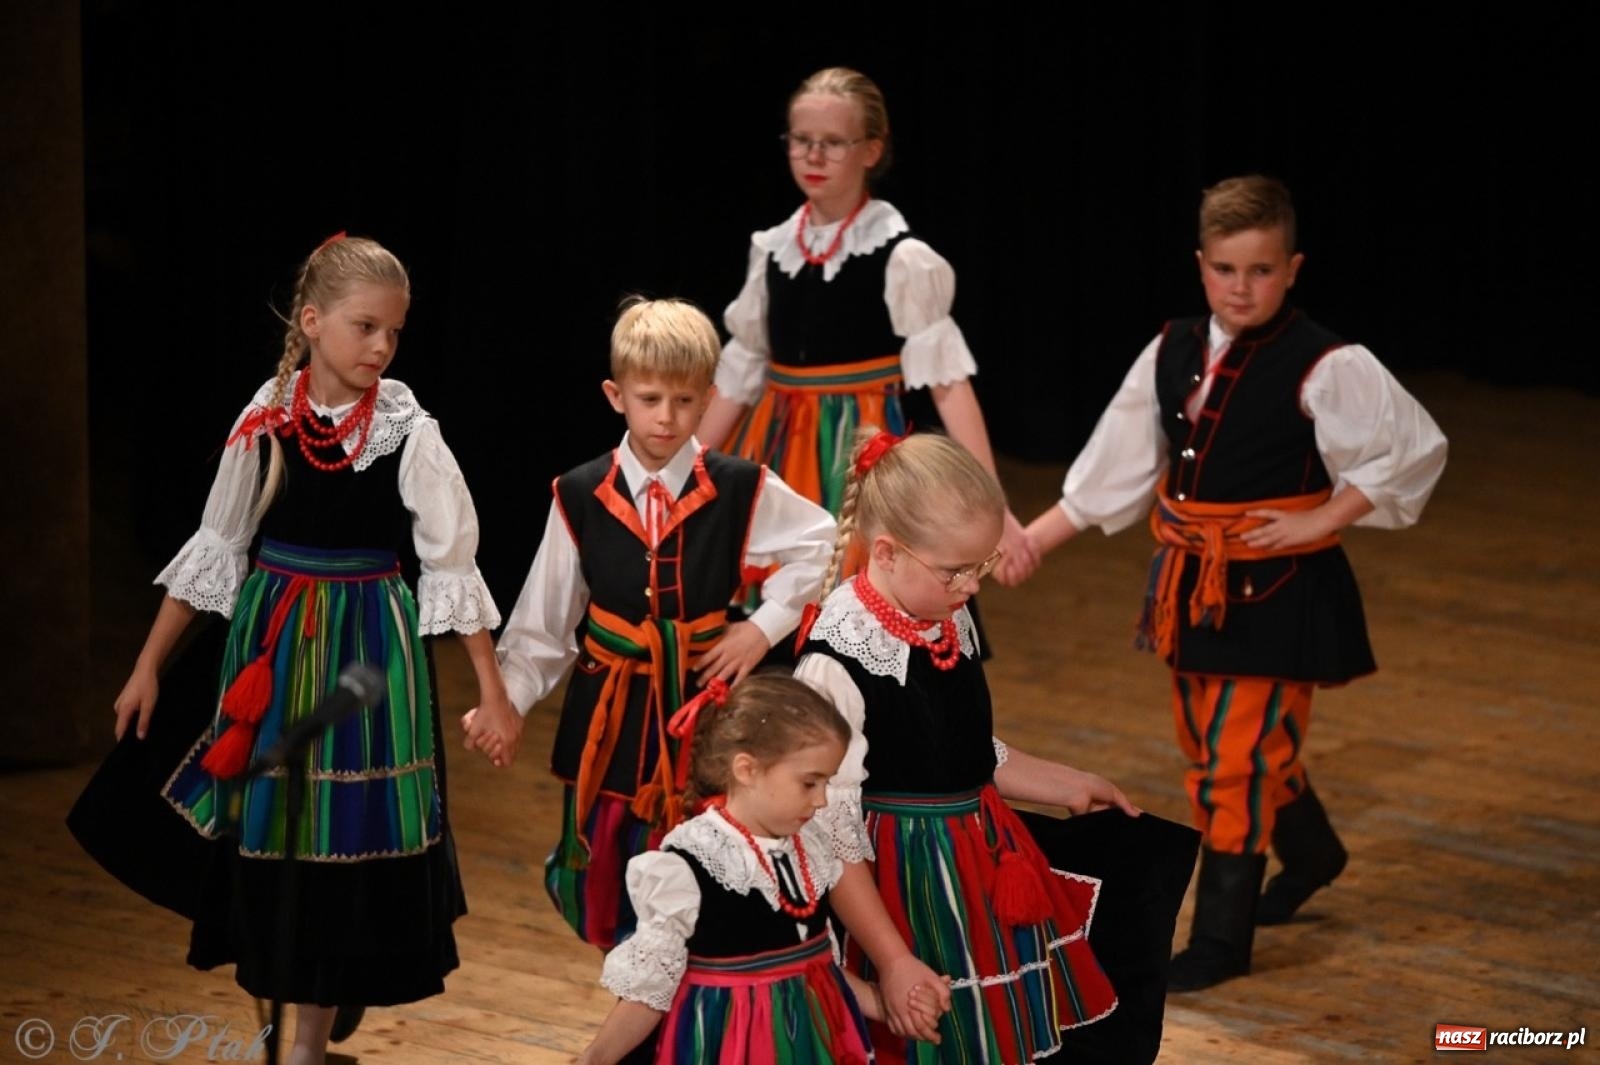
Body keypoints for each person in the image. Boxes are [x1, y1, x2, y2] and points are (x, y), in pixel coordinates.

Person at [69, 234, 519, 1064]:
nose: (381, 347)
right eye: (364, 327)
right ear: (312, 321)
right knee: (271, 834)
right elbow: (217, 547)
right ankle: (294, 1011)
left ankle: (311, 1034)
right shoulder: (268, 415)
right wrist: (146, 665)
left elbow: (451, 565)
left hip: (365, 654)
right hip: (271, 646)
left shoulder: (407, 430)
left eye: (393, 332)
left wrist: (490, 690)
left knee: (339, 837)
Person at [1022, 175, 1449, 991]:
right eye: (1225, 269)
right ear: (1201, 265)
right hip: (1193, 581)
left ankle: (1221, 938)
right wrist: (1030, 543)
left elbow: (1413, 448)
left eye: (1260, 270)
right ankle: (1313, 853)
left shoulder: (1325, 362)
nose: (1241, 287)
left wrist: (1324, 518)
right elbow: (1116, 466)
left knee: (1235, 762)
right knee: (1211, 745)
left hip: (1282, 590)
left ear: (1292, 268)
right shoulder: (1173, 348)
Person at [488, 298, 836, 951]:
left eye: (684, 400)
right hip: (613, 717)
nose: (666, 417)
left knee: (710, 865)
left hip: (705, 707)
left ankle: (700, 984)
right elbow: (543, 623)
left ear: (708, 400)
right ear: (616, 395)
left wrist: (760, 629)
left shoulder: (740, 487)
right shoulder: (580, 493)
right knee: (611, 874)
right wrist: (507, 703)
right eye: (650, 399)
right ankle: (636, 984)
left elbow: (821, 543)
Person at [795, 429, 1139, 1063]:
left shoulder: (944, 616)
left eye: (982, 565)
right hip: (899, 887)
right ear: (887, 552)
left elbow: (957, 748)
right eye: (957, 570)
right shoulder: (835, 664)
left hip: (974, 863)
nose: (973, 587)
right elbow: (829, 834)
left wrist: (1065, 782)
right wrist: (892, 960)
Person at [696, 66, 1037, 586]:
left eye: (833, 143)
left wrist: (995, 505)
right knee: (775, 598)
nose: (814, 156)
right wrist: (686, 470)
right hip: (779, 449)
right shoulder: (772, 250)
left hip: (860, 459)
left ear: (871, 150)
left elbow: (949, 386)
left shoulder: (901, 257)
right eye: (802, 140)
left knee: (864, 593)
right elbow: (738, 376)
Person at [577, 673, 947, 1064]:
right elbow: (648, 994)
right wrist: (594, 1059)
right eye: (810, 783)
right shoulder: (687, 868)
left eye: (827, 783)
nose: (822, 800)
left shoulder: (810, 849)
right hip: (725, 1047)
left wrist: (882, 1003)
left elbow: (816, 968)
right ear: (746, 770)